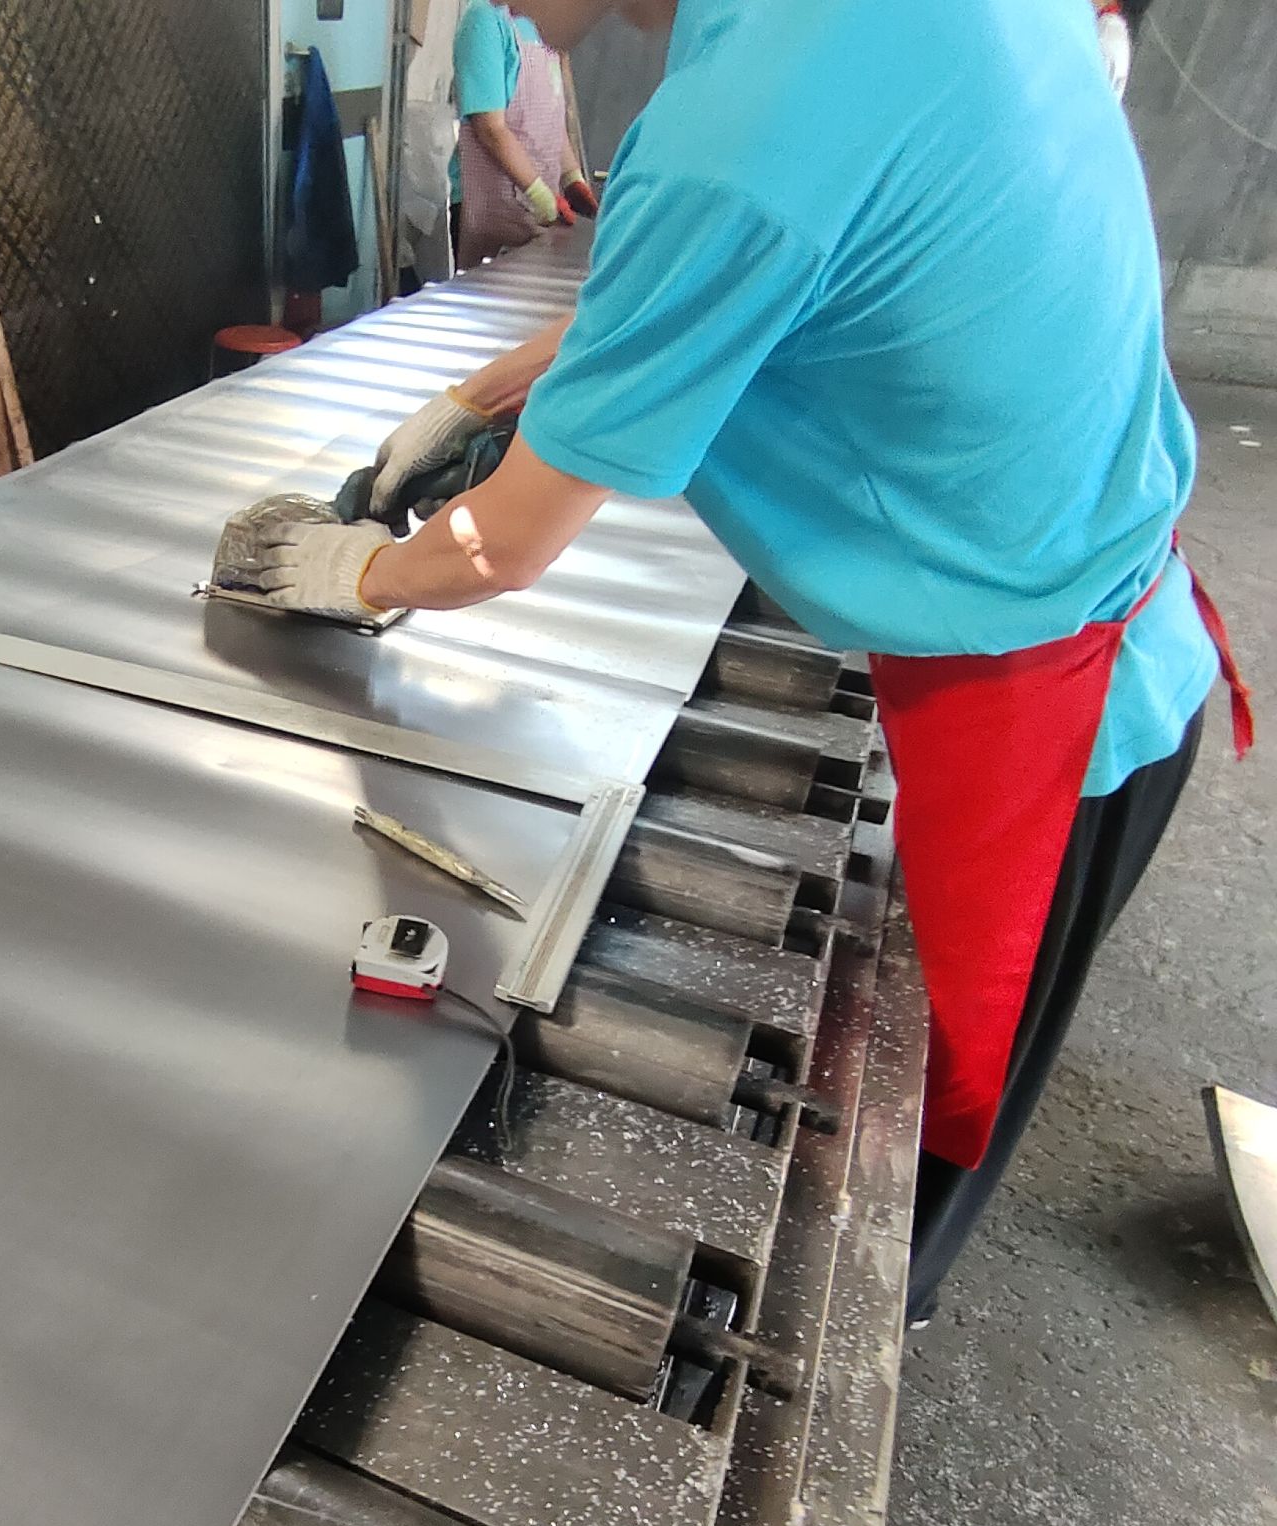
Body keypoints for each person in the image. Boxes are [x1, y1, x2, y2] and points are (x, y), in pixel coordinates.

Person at [250, 0, 1254, 1327]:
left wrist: (354, 574)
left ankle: (885, 1307)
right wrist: (482, 397)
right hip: (1061, 597)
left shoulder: (742, 128)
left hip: (1050, 707)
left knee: (910, 1148)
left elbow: (504, 547)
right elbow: (721, 288)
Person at [452, 2, 598, 268]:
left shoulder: (544, 28)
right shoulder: (484, 21)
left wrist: (571, 178)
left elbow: (550, 119)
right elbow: (490, 128)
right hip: (490, 209)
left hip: (538, 211)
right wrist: (539, 194)